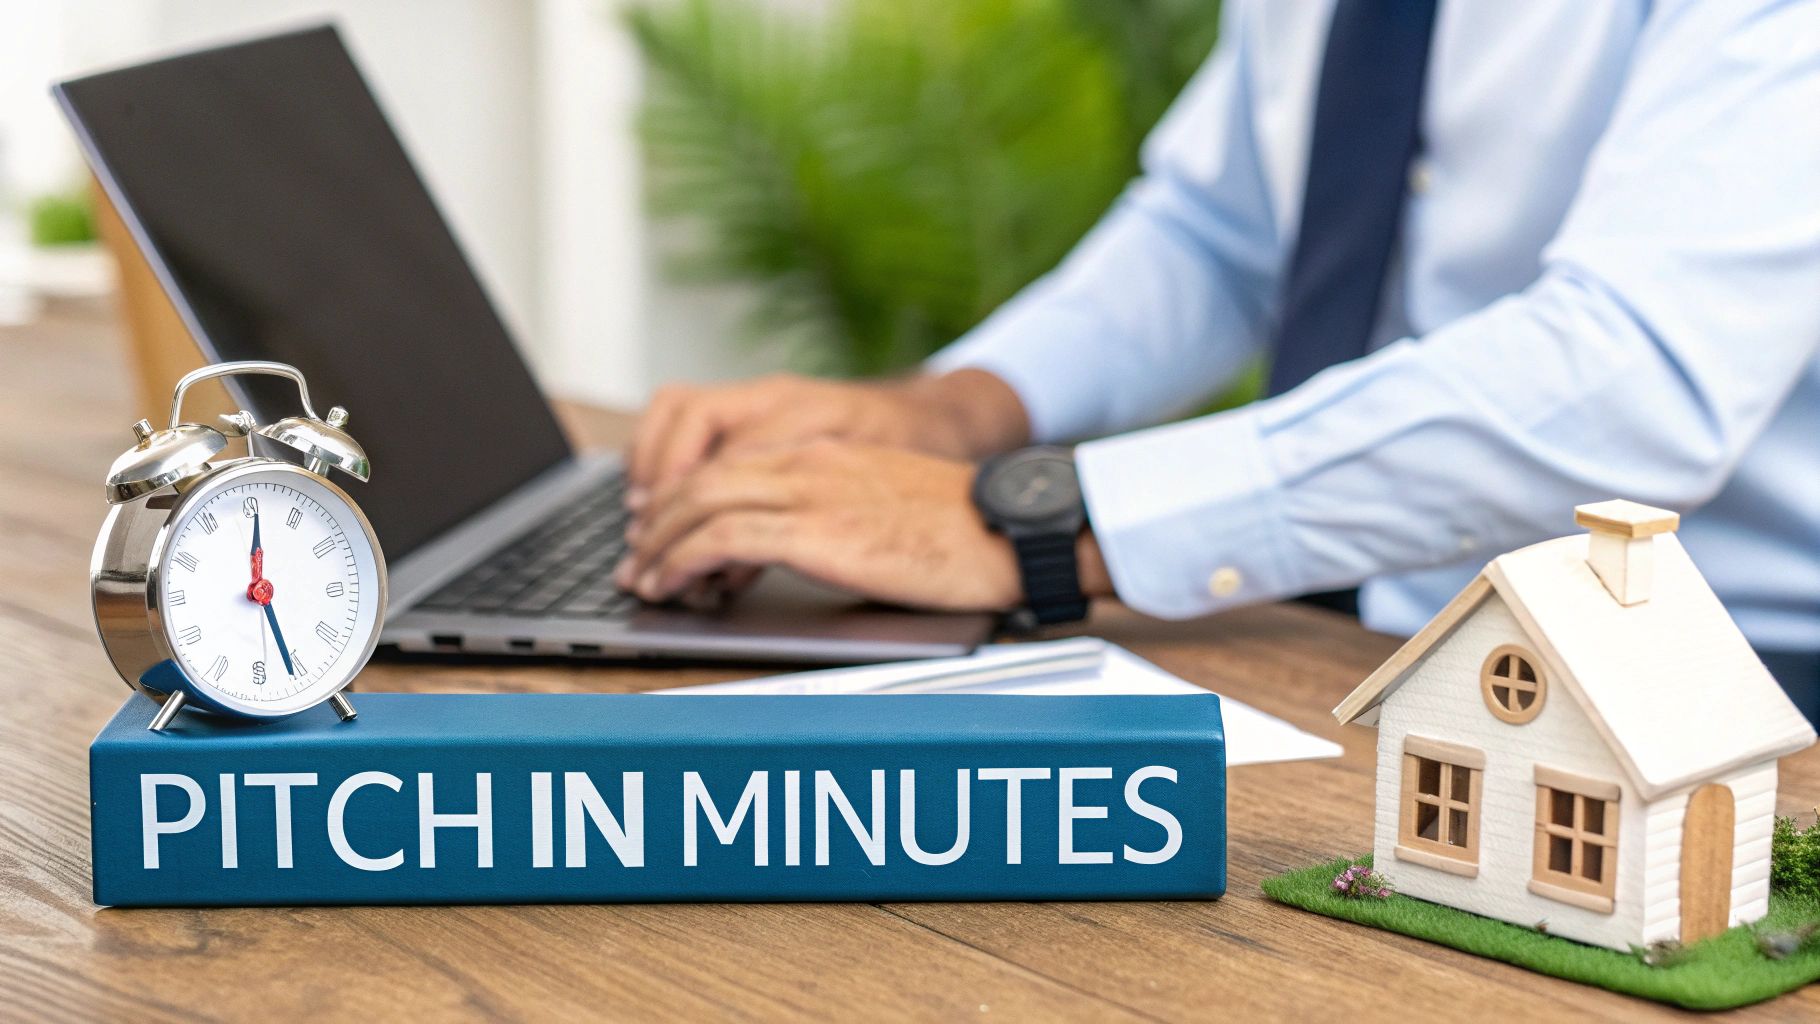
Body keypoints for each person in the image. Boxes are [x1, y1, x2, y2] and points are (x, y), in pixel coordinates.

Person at [614, 0, 1820, 712]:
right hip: (1345, 633)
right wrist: (954, 413)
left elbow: (1634, 378)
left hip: (1721, 680)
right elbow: (1219, 228)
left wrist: (1036, 528)